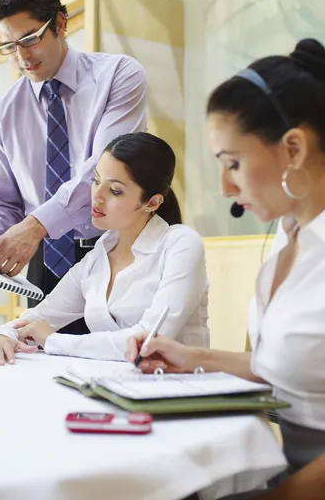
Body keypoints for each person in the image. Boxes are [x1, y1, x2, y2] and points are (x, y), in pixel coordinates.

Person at [126, 39, 325, 499]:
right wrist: (193, 358)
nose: (223, 186)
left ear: (293, 149)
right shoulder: (289, 236)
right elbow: (294, 366)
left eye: (232, 163)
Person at [0, 0, 147, 336]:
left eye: (30, 39)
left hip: (118, 253)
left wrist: (33, 226)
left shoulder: (119, 76)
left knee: (118, 365)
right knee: (45, 370)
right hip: (46, 263)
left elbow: (104, 174)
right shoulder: (0, 116)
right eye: (9, 47)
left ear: (60, 24)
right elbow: (2, 202)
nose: (22, 57)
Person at [0, 132, 209, 365]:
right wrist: (1, 335)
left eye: (115, 190)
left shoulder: (181, 244)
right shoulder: (97, 257)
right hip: (114, 388)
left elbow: (149, 341)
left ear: (152, 202)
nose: (97, 196)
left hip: (181, 391)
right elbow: (41, 315)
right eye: (96, 181)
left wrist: (54, 341)